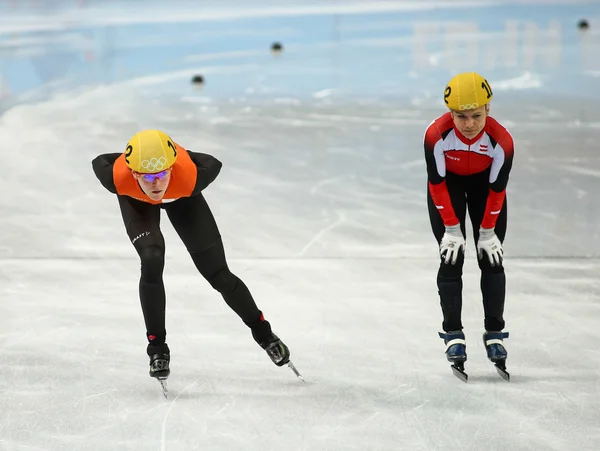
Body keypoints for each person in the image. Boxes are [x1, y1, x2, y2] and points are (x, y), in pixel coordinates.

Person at [92, 130, 291, 382]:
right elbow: (99, 159)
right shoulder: (116, 177)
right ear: (133, 173)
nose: (156, 184)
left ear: (171, 168)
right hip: (136, 200)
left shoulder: (191, 176)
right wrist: (138, 154)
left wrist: (181, 154)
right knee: (152, 258)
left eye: (162, 174)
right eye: (148, 176)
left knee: (218, 274)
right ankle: (157, 349)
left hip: (183, 196)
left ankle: (265, 335)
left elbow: (213, 162)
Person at [423, 72, 514, 373]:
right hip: (447, 187)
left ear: (489, 108)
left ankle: (495, 332)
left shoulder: (502, 142)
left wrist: (487, 232)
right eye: (461, 116)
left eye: (476, 115)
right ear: (450, 113)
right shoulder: (436, 135)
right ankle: (453, 333)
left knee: (491, 259)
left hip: (484, 190)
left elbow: (497, 189)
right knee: (451, 257)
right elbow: (436, 183)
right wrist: (451, 228)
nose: (470, 124)